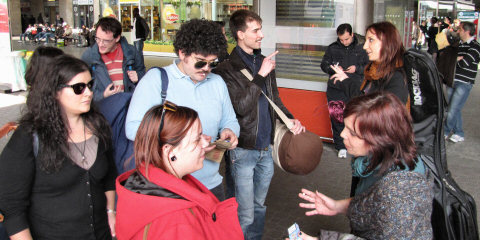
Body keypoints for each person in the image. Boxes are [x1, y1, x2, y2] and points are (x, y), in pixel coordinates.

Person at [0, 54, 117, 239]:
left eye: (90, 85)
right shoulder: (30, 136)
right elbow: (12, 208)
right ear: (55, 91)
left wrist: (111, 212)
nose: (88, 92)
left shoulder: (99, 126)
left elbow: (109, 177)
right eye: (79, 88)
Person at [290, 92, 433, 240]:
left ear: (380, 138)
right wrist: (336, 206)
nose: (342, 135)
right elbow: (372, 203)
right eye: (345, 127)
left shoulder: (400, 195)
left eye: (353, 133)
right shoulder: (379, 158)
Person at [214, 10, 305, 240]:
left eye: (261, 29)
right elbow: (241, 107)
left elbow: (273, 98)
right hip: (243, 149)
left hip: (266, 147)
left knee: (259, 206)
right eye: (256, 30)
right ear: (240, 34)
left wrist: (289, 118)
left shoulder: (262, 60)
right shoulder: (226, 69)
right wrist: (261, 75)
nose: (261, 35)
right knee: (244, 212)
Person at [125, 19, 239, 201]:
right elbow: (133, 129)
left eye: (213, 63)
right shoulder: (156, 80)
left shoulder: (217, 83)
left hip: (210, 184)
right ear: (182, 53)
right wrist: (185, 139)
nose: (207, 69)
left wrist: (229, 131)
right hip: (169, 186)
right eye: (200, 62)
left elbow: (230, 120)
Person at [116, 103, 244, 239]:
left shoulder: (142, 183)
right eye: (196, 139)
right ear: (169, 151)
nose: (206, 143)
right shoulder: (176, 222)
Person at [330, 21, 409, 105]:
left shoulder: (397, 77)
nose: (365, 46)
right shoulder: (373, 71)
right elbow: (363, 99)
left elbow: (385, 114)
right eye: (366, 40)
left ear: (387, 42)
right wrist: (344, 79)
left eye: (371, 40)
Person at [320, 23, 368, 158]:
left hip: (354, 88)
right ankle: (341, 147)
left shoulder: (362, 48)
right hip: (336, 89)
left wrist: (357, 68)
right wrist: (332, 69)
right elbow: (323, 65)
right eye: (341, 39)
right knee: (337, 117)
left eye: (346, 39)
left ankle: (358, 145)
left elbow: (370, 67)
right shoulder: (332, 48)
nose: (344, 42)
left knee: (356, 117)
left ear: (352, 35)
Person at [82, 17, 145, 102]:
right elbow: (81, 88)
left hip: (126, 107)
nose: (100, 44)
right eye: (98, 39)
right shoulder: (89, 56)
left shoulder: (132, 52)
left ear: (117, 38)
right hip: (101, 109)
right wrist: (103, 95)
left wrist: (138, 76)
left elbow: (143, 75)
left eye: (106, 41)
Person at [444, 21, 480, 143]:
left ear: (466, 31)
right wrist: (456, 59)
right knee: (455, 108)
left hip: (464, 82)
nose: (457, 31)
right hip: (452, 80)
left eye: (459, 29)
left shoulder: (475, 46)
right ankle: (459, 132)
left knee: (452, 109)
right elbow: (448, 58)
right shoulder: (457, 45)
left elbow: (464, 64)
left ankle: (445, 131)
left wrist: (456, 59)